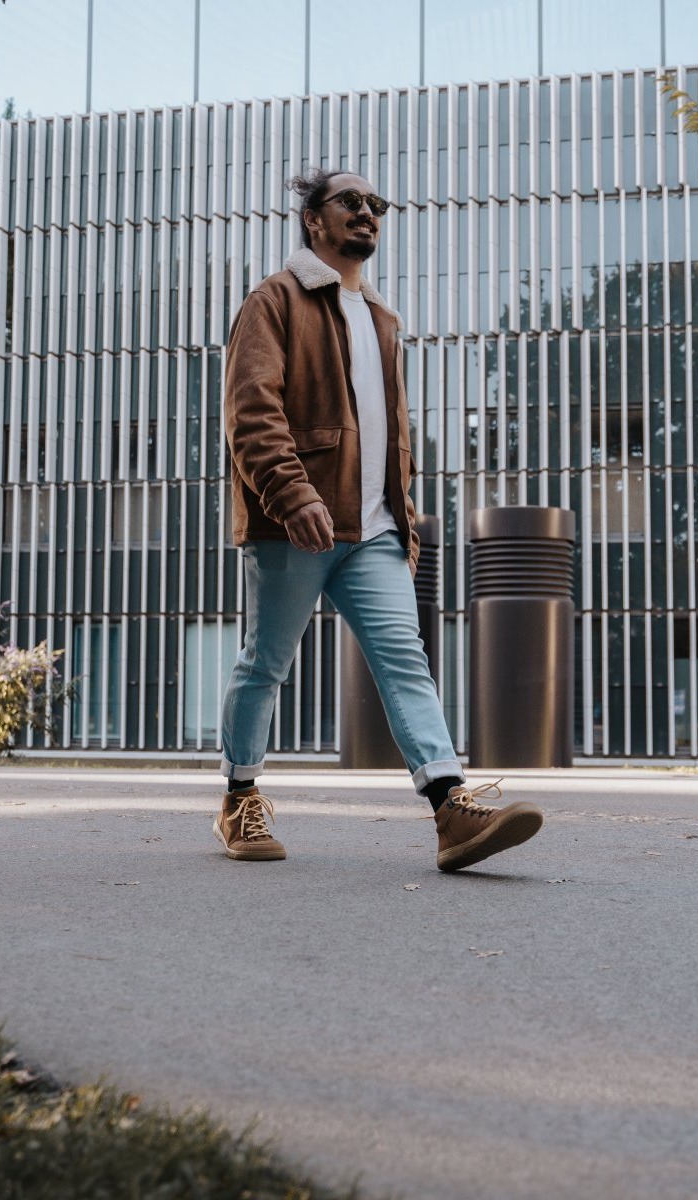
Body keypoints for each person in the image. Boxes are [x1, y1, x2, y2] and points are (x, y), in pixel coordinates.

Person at [215, 166, 543, 872]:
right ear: (313, 219)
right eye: (350, 203)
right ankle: (240, 796)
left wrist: (407, 517)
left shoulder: (383, 319)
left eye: (377, 205)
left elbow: (392, 433)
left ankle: (451, 806)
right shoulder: (275, 301)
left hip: (375, 532)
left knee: (406, 662)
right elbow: (251, 410)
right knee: (264, 664)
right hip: (295, 522)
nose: (367, 214)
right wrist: (293, 494)